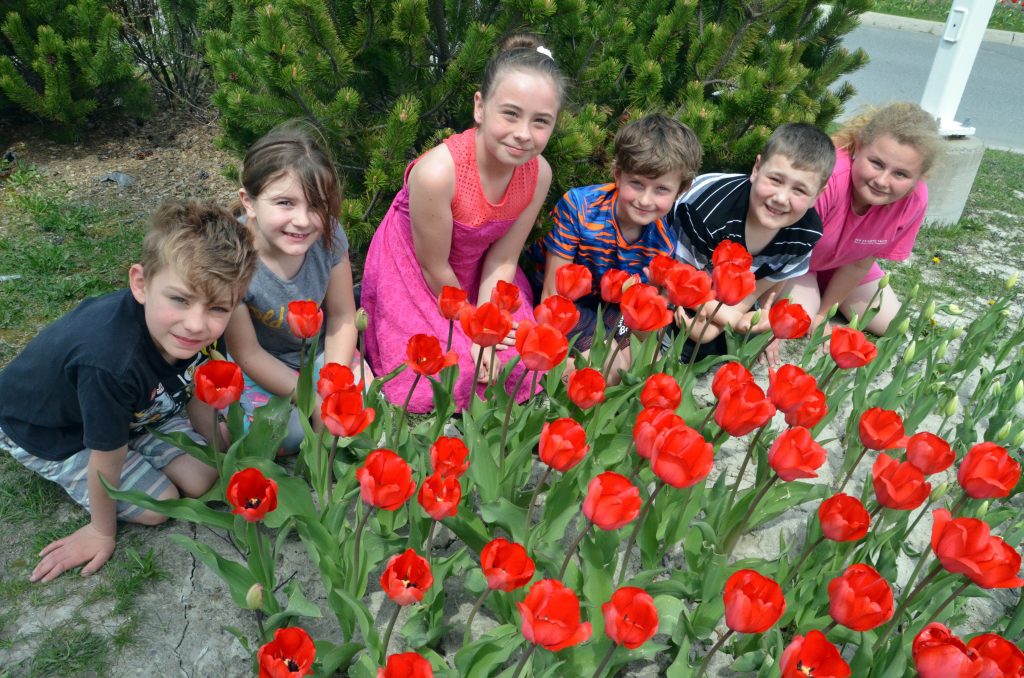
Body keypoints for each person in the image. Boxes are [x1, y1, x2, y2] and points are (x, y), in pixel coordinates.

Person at [0, 202, 258, 583]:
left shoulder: (184, 333)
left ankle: (136, 429)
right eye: (180, 299)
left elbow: (194, 388)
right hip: (53, 431)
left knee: (204, 474)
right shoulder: (109, 363)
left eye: (218, 308)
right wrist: (101, 531)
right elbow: (107, 455)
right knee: (159, 506)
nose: (196, 324)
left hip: (140, 409)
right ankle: (109, 460)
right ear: (140, 283)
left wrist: (218, 446)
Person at [361, 34, 564, 412]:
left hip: (482, 274)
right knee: (441, 371)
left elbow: (504, 258)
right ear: (480, 107)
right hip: (420, 272)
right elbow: (432, 264)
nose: (523, 133)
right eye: (510, 113)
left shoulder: (539, 174)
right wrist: (472, 328)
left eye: (541, 122)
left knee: (518, 355)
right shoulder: (438, 173)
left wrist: (487, 328)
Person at [224, 124, 365, 452]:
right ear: (249, 202)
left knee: (364, 404)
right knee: (288, 436)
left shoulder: (327, 238)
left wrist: (332, 381)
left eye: (316, 205)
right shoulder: (234, 258)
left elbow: (343, 316)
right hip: (261, 364)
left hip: (316, 354)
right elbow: (247, 352)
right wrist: (312, 401)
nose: (303, 220)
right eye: (285, 203)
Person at [527, 113, 702, 352]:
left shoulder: (662, 244)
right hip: (557, 303)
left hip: (607, 310)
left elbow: (642, 309)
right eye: (637, 184)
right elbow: (551, 294)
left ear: (681, 189)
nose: (645, 200)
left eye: (661, 189)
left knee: (633, 346)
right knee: (601, 350)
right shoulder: (579, 208)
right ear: (618, 174)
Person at [669, 122, 836, 360]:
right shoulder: (705, 213)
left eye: (799, 190)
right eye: (775, 180)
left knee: (722, 346)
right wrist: (734, 320)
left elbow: (762, 287)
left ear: (817, 196)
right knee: (679, 342)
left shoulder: (805, 234)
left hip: (730, 294)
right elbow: (681, 281)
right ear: (757, 169)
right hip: (679, 271)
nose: (781, 198)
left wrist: (726, 321)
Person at [782, 102, 940, 335]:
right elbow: (783, 248)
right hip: (796, 263)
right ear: (858, 147)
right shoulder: (829, 179)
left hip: (844, 264)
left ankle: (823, 299)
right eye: (876, 163)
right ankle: (811, 296)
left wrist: (824, 314)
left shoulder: (914, 200)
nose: (882, 181)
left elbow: (860, 263)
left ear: (919, 177)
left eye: (901, 174)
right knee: (800, 319)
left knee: (891, 326)